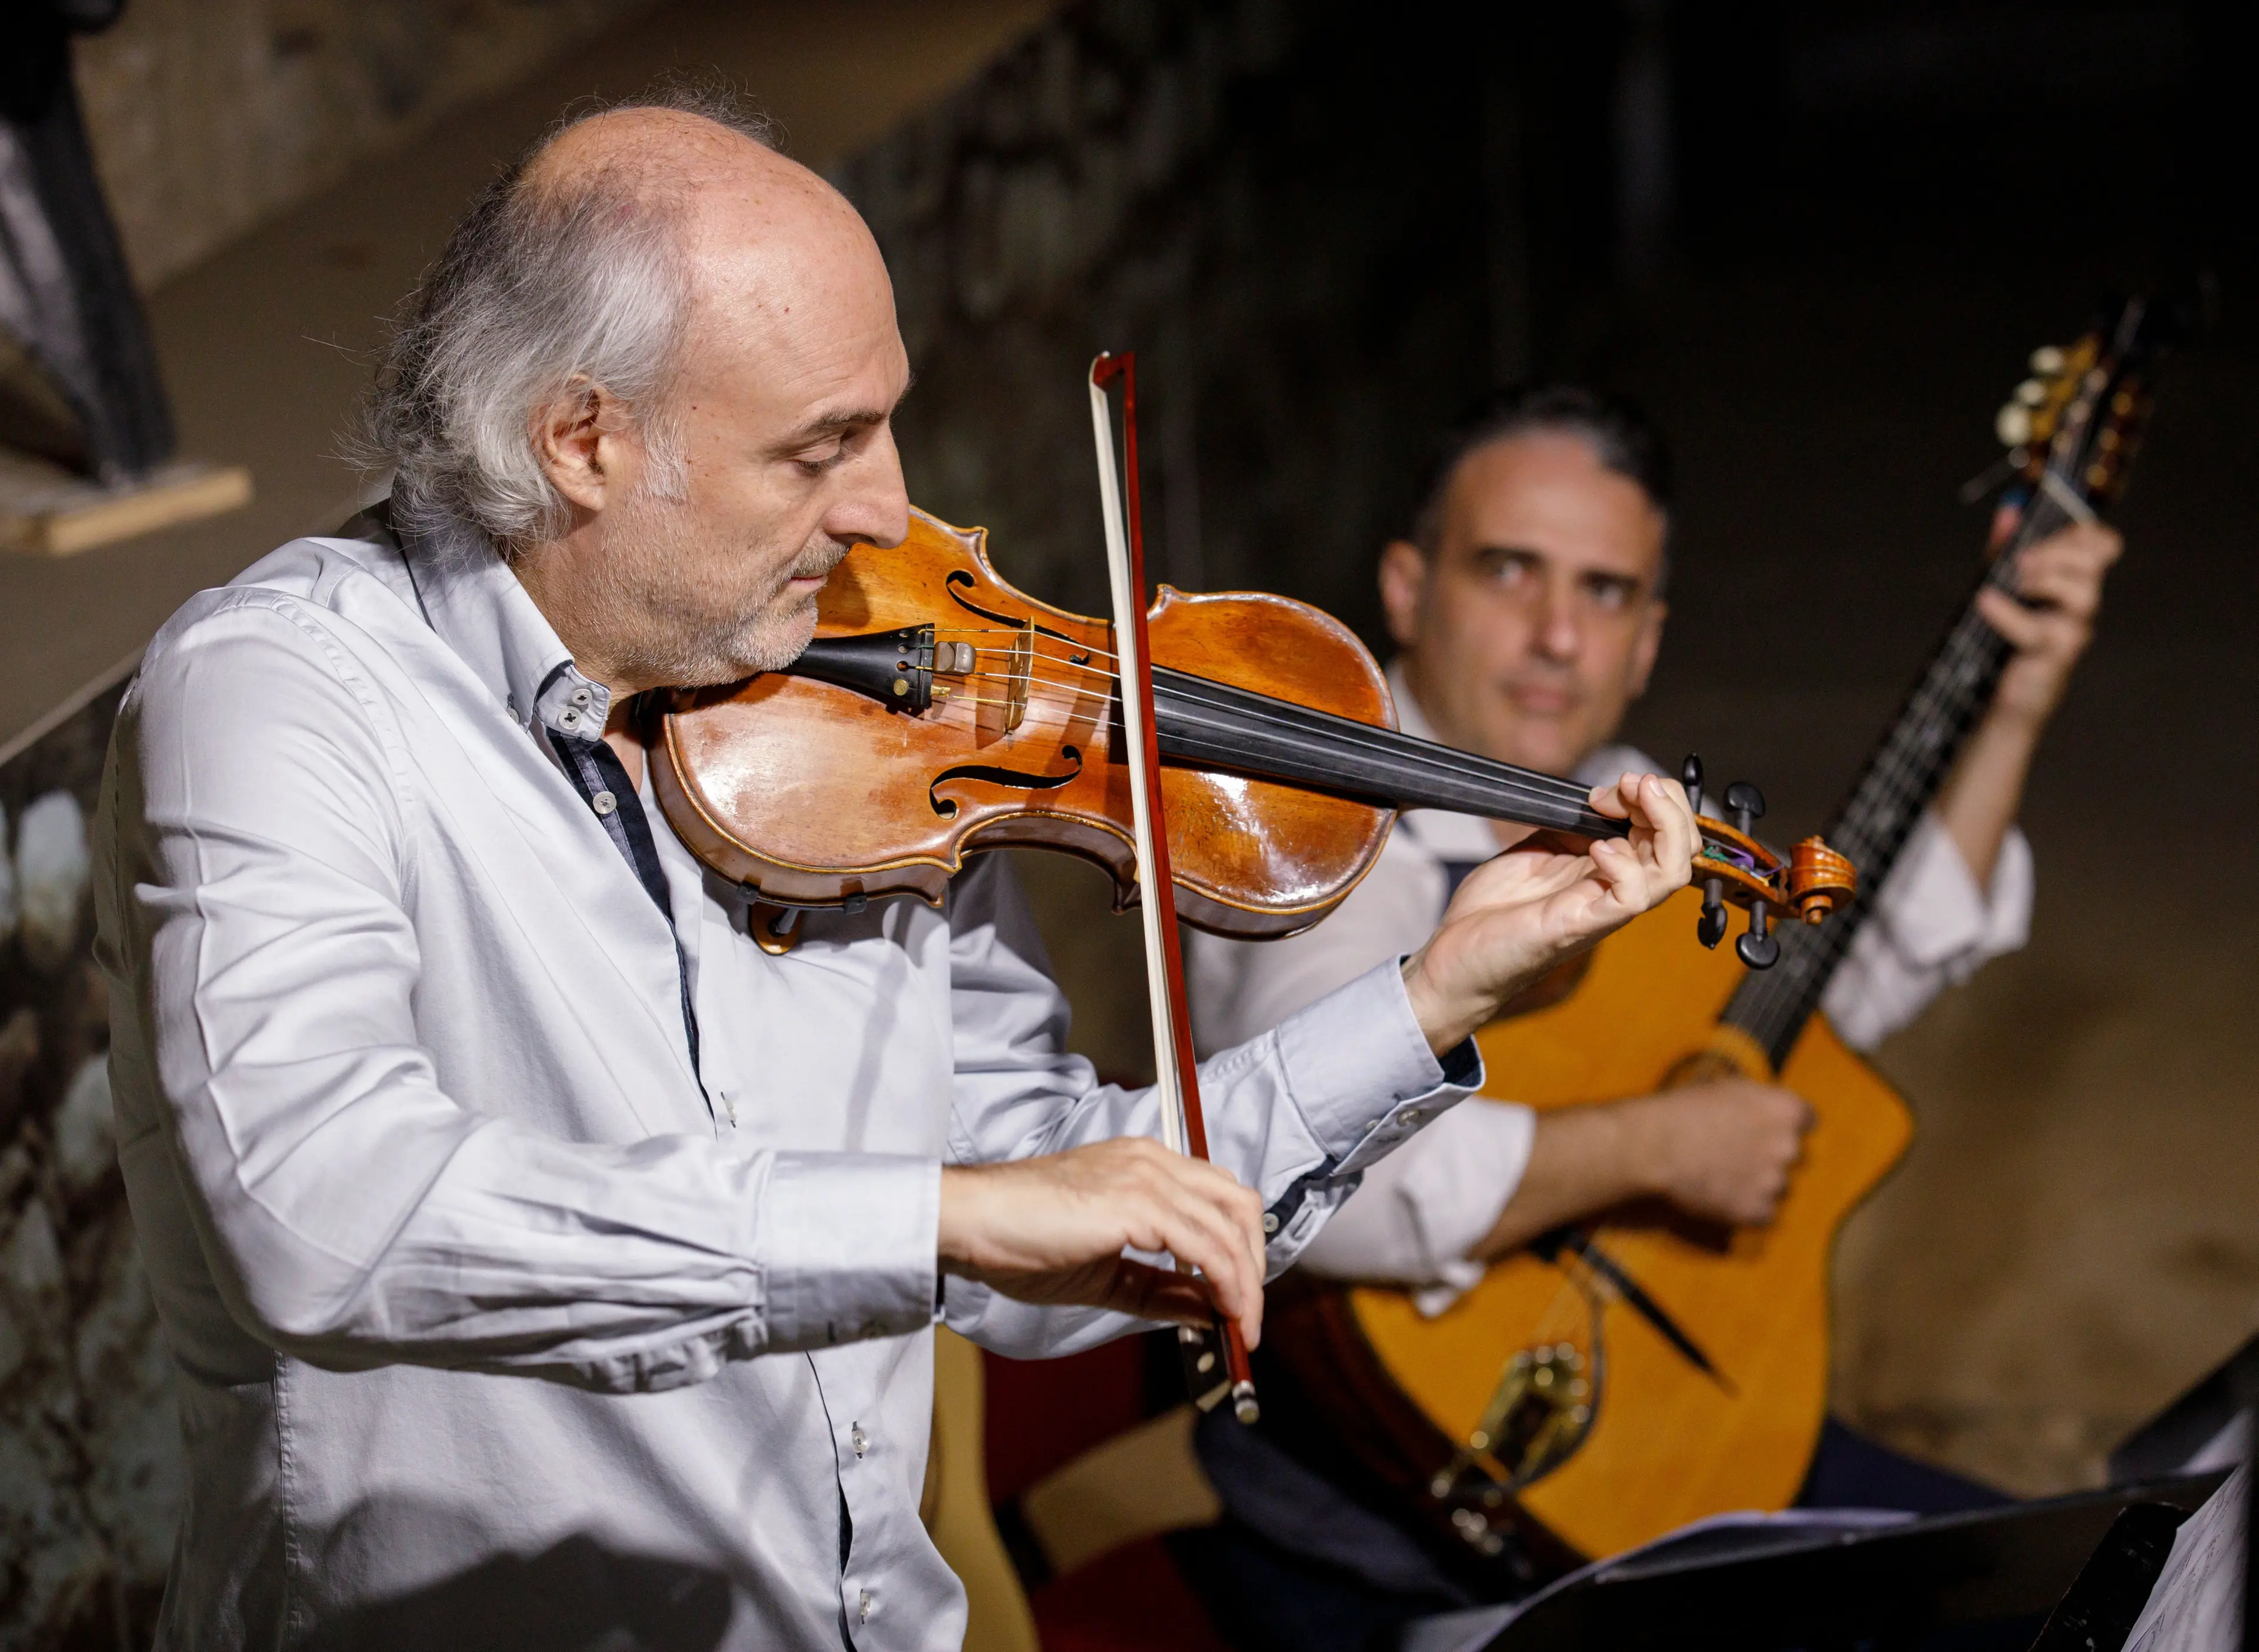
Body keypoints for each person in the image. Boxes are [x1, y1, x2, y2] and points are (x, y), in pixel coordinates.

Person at [91, 99, 1701, 1652]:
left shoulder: (868, 714)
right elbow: (323, 1209)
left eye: (887, 418)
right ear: (582, 438)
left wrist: (1427, 1003)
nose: (887, 506)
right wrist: (927, 1222)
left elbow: (1051, 1220)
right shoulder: (284, 696)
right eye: (820, 447)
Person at [1180, 385, 2123, 1651]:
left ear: (1649, 640)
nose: (1557, 636)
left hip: (1666, 1441)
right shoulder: (1305, 832)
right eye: (1510, 571)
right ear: (1406, 591)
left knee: (2101, 1574)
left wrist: (2010, 706)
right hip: (1379, 1557)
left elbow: (1828, 1007)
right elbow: (1324, 1179)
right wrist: (1659, 1149)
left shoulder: (1623, 816)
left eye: (1606, 593)